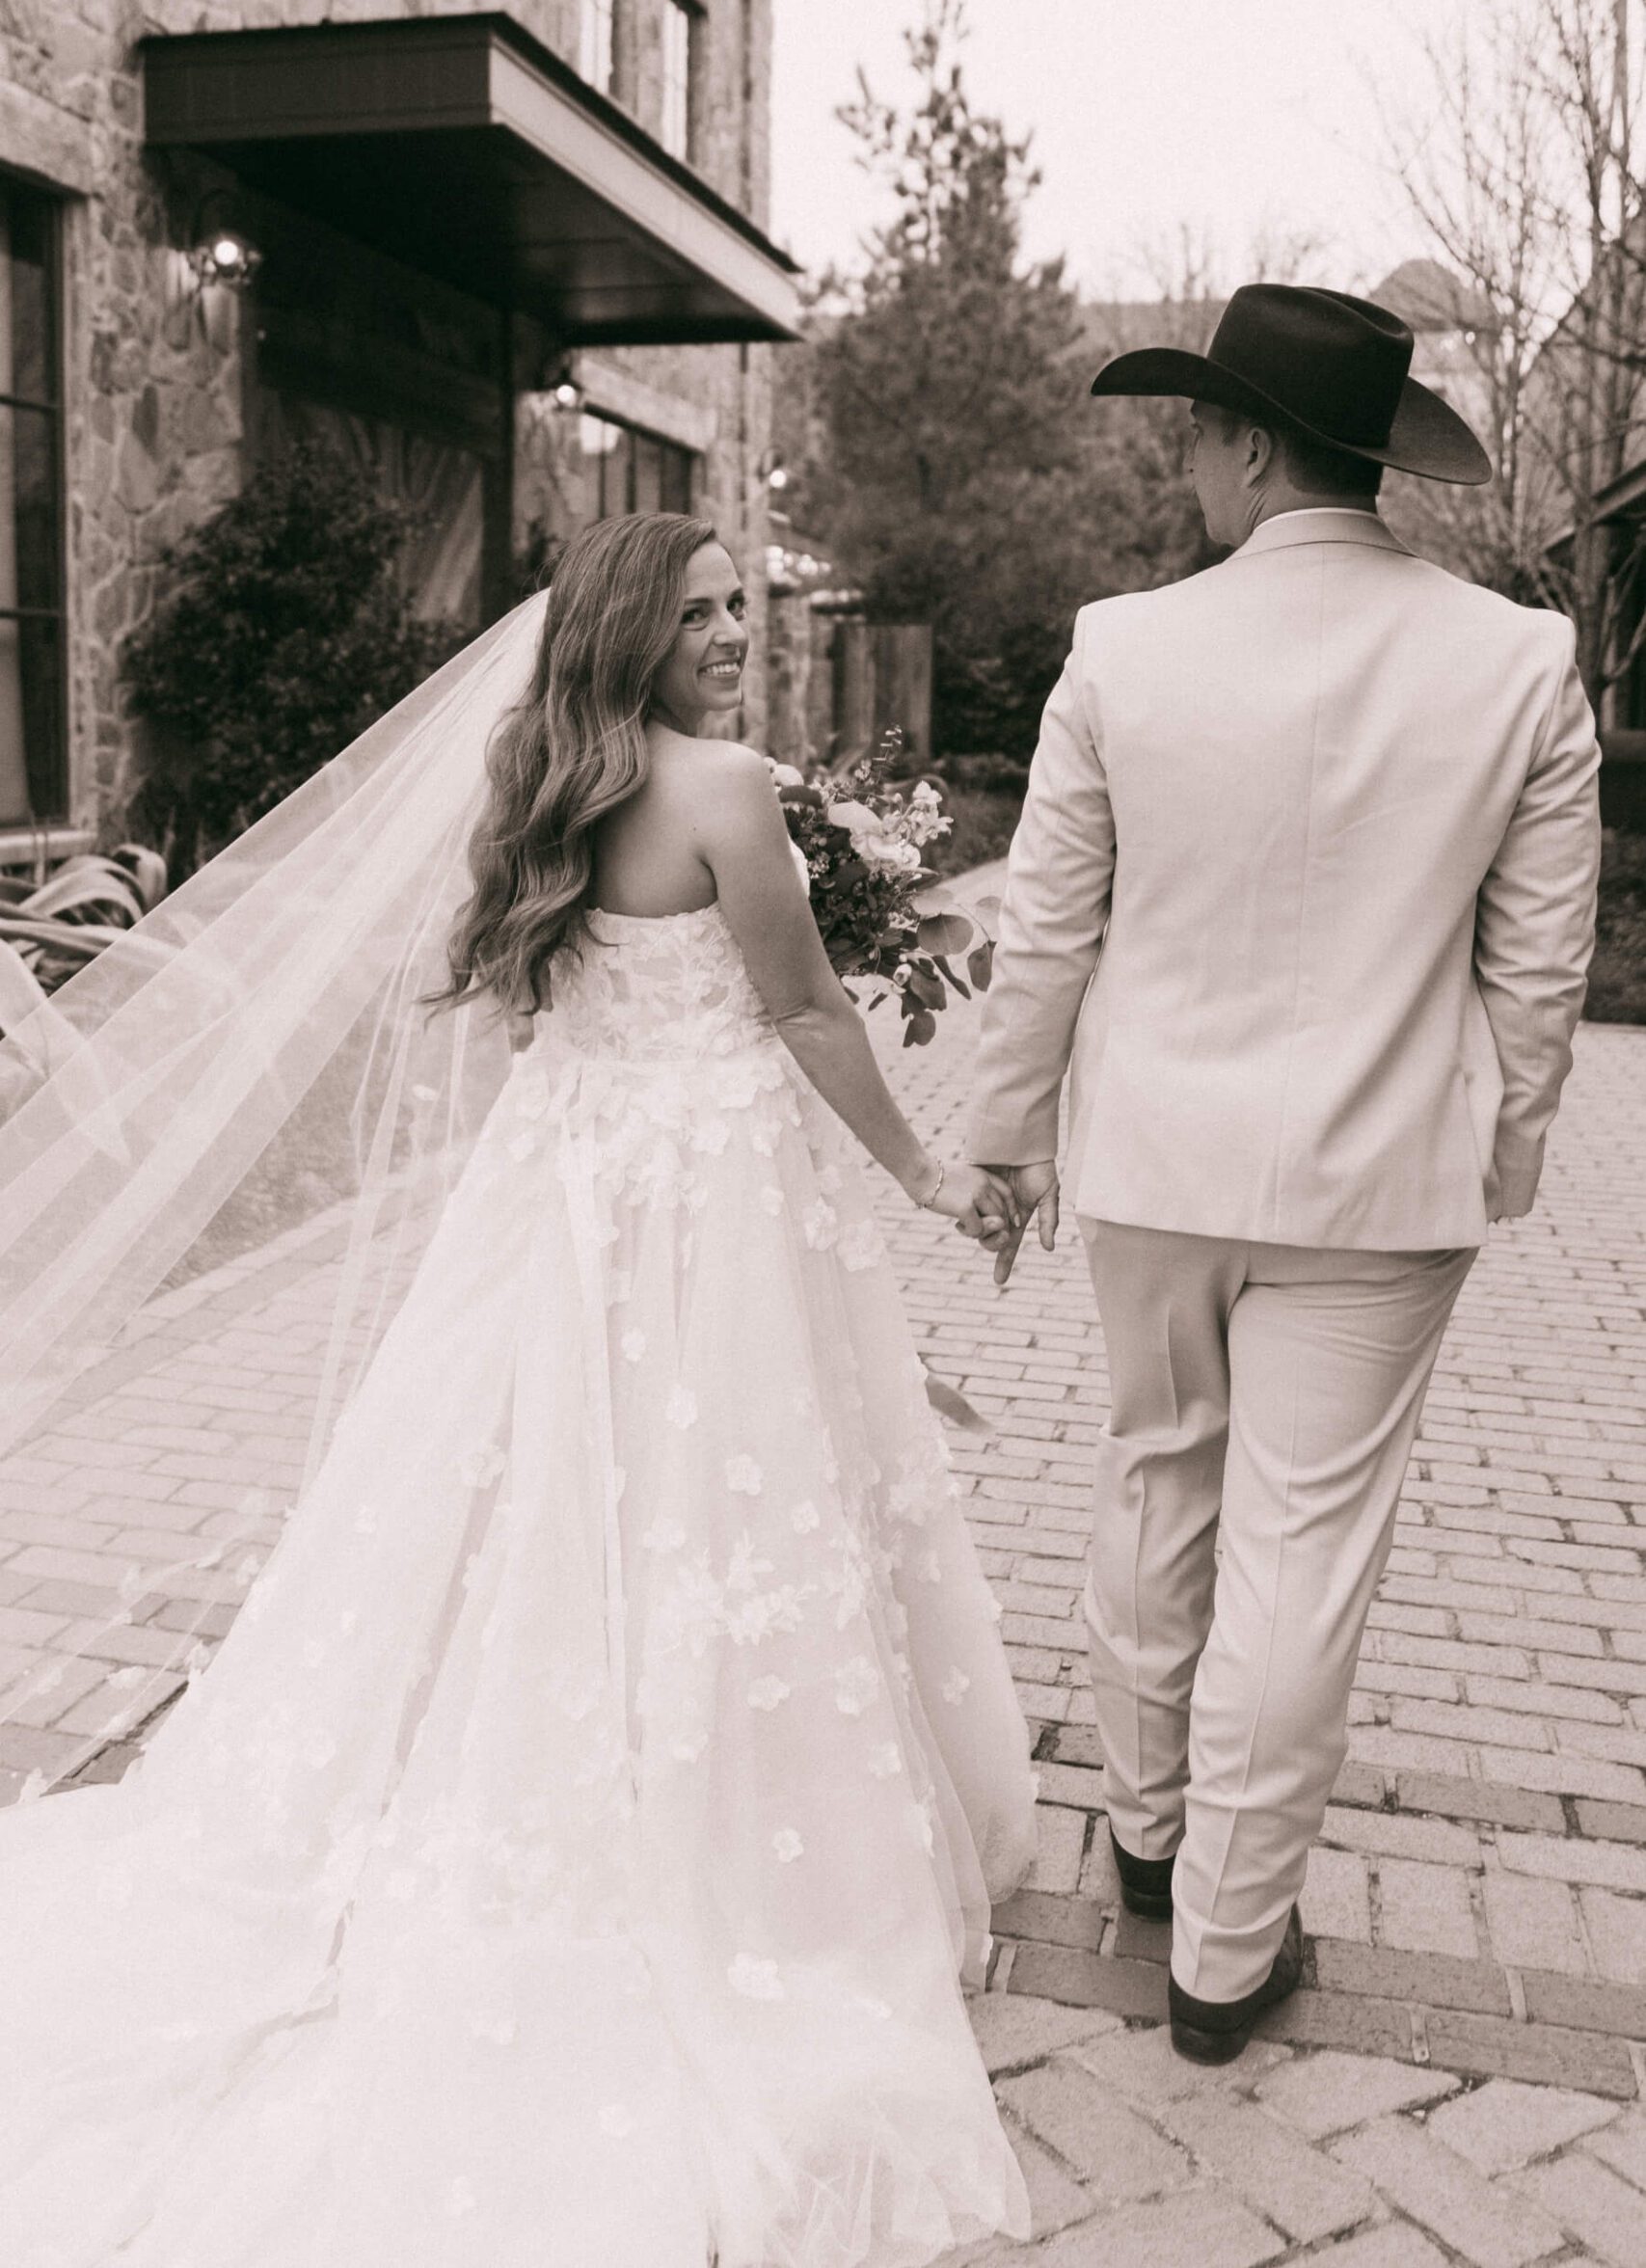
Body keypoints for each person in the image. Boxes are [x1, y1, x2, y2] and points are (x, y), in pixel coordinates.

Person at [0, 512, 1038, 2266]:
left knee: (533, 1494)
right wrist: (935, 1180)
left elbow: (543, 1003)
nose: (731, 632)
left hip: (565, 1191)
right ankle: (717, 1858)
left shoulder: (540, 789)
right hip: (705, 1201)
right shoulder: (730, 794)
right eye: (700, 612)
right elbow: (800, 1017)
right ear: (631, 628)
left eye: (740, 607)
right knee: (710, 1505)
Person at [966, 284, 1603, 2066]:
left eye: (1194, 431)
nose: (1185, 461)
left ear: (1250, 445)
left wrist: (1008, 1135)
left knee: (1160, 1483)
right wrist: (1507, 1141)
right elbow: (1537, 966)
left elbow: (1046, 932)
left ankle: (1153, 1847)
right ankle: (1226, 1964)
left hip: (1159, 1167)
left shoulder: (1122, 649)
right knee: (1303, 1555)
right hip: (1386, 1188)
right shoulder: (1513, 663)